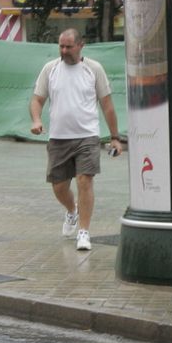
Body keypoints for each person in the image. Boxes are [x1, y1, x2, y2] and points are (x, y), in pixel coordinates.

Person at [29, 29, 121, 252]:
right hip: (59, 138)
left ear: (81, 45)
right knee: (59, 186)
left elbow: (107, 105)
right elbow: (37, 99)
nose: (63, 51)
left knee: (84, 180)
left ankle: (84, 232)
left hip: (87, 137)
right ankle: (72, 210)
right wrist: (36, 119)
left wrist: (115, 137)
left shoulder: (94, 69)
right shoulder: (50, 69)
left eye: (68, 46)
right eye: (61, 46)